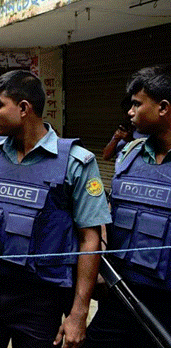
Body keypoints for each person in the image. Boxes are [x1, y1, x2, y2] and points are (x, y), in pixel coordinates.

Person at [0, 70, 111, 348]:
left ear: (24, 108)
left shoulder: (76, 162)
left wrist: (79, 312)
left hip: (41, 298)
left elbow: (90, 238)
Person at [85, 65, 171, 348]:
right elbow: (112, 213)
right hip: (121, 292)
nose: (130, 112)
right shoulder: (130, 153)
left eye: (137, 104)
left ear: (163, 108)